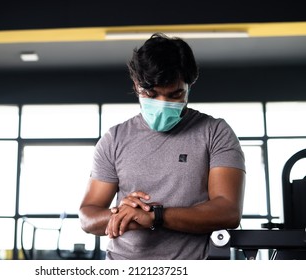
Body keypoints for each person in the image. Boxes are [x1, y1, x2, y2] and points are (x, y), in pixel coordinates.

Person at [79, 33, 245, 260]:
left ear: (189, 85)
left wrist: (157, 216)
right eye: (151, 94)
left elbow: (228, 211)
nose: (162, 104)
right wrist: (126, 216)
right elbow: (87, 217)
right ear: (137, 85)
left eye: (175, 94)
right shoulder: (114, 138)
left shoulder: (215, 132)